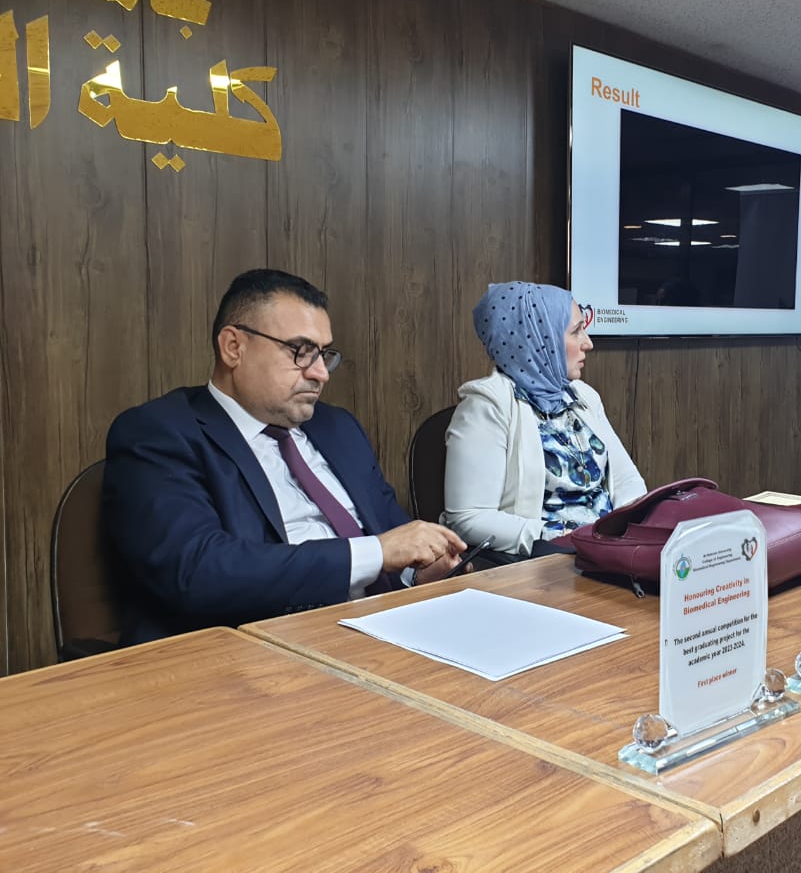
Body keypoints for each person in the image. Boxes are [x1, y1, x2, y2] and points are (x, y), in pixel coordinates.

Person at [104, 269, 465, 645]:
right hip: (254, 650)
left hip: (383, 632)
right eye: (301, 351)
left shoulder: (338, 428)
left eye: (323, 354)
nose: (321, 373)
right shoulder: (159, 433)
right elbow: (198, 572)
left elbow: (393, 535)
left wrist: (419, 571)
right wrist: (376, 553)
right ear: (233, 347)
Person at [443, 281, 646, 557]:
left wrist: (630, 531)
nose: (588, 343)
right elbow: (469, 518)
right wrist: (562, 536)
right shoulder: (486, 405)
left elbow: (627, 481)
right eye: (576, 331)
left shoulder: (582, 394)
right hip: (546, 561)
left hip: (607, 551)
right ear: (539, 339)